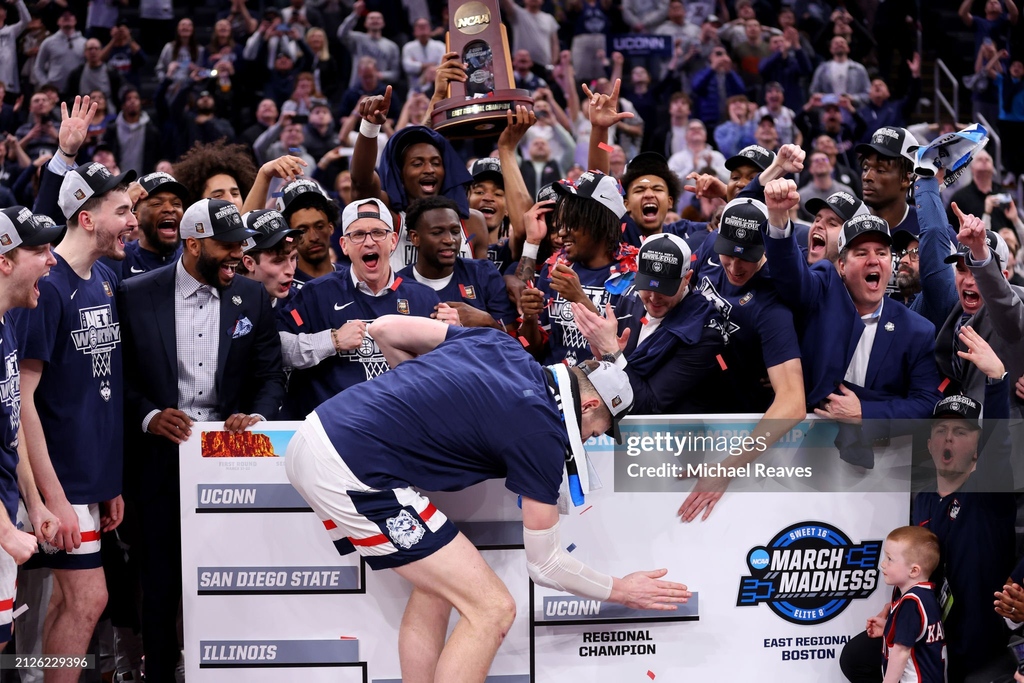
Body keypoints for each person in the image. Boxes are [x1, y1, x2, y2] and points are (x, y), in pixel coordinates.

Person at [285, 314, 690, 683]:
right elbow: (545, 564)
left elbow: (386, 328)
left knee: (437, 589)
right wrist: (622, 590)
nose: (590, 440)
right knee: (492, 609)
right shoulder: (543, 432)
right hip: (349, 467)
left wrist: (424, 405)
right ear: (586, 405)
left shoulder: (501, 344)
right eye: (598, 430)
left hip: (321, 430)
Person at [117, 198, 285, 683]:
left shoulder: (252, 297)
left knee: (230, 577)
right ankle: (160, 673)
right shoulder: (135, 292)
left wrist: (256, 415)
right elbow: (118, 378)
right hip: (159, 460)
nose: (237, 254)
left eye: (241, 245)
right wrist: (148, 416)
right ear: (193, 244)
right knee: (160, 582)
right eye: (226, 245)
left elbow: (270, 376)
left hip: (231, 458)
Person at [16, 158, 136, 683]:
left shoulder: (105, 277)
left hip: (86, 481)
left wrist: (105, 484)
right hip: (52, 483)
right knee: (88, 597)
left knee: (75, 600)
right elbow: (21, 401)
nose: (133, 220)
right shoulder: (46, 285)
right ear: (87, 218)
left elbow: (98, 389)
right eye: (123, 210)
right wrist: (54, 496)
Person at [761, 179, 941, 466]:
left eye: (881, 253)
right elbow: (790, 276)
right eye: (861, 253)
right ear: (841, 266)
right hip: (800, 455)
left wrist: (864, 412)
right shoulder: (821, 291)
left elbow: (927, 405)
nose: (874, 261)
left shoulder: (916, 330)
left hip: (884, 471)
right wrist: (778, 218)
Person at [277, 198, 459, 419]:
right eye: (358, 234)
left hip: (402, 424)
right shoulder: (316, 294)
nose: (369, 242)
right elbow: (276, 349)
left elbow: (446, 371)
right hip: (335, 427)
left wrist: (454, 336)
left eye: (378, 233)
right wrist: (331, 340)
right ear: (344, 245)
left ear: (393, 241)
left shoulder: (422, 297)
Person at [0, 207, 63, 648]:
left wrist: (35, 503)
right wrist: (6, 532)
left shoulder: (7, 323)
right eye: (40, 250)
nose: (52, 259)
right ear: (4, 262)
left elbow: (11, 421)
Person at [517, 172, 638, 367]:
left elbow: (625, 352)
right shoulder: (553, 268)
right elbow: (529, 350)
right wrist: (530, 318)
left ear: (600, 223)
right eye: (562, 223)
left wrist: (580, 298)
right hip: (554, 387)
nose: (562, 233)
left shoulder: (635, 273)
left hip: (606, 391)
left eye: (572, 223)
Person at [397, 196, 516, 332]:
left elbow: (511, 342)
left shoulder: (483, 273)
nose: (449, 240)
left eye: (455, 232)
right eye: (437, 233)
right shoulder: (398, 287)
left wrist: (486, 321)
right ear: (415, 238)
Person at [869, 526, 945, 683]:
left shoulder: (911, 603)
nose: (883, 564)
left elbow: (901, 652)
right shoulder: (926, 596)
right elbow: (917, 635)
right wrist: (888, 628)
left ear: (914, 570)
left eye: (890, 559)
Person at [107, 170, 188, 281]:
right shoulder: (118, 258)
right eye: (157, 204)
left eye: (176, 204)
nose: (170, 209)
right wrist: (121, 202)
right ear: (136, 217)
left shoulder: (192, 259)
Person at [238, 208, 301, 303]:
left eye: (293, 258)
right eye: (278, 261)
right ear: (249, 263)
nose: (290, 271)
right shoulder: (224, 307)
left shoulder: (300, 302)